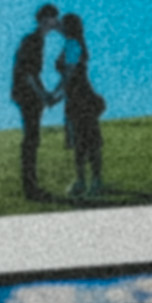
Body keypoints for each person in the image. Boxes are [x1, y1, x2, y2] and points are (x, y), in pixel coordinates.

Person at [57, 12, 108, 203]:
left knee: (84, 139)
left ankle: (89, 181)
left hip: (79, 98)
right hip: (77, 97)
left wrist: (55, 94)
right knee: (86, 139)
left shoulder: (72, 45)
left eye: (63, 24)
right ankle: (88, 181)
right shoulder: (73, 43)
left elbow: (69, 73)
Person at [10, 4, 59, 202]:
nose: (56, 22)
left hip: (27, 94)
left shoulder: (37, 40)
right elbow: (28, 73)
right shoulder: (33, 41)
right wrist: (42, 95)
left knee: (32, 138)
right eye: (54, 18)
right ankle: (30, 188)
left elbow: (33, 74)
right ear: (45, 19)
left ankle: (31, 186)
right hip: (26, 95)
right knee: (31, 139)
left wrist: (44, 94)